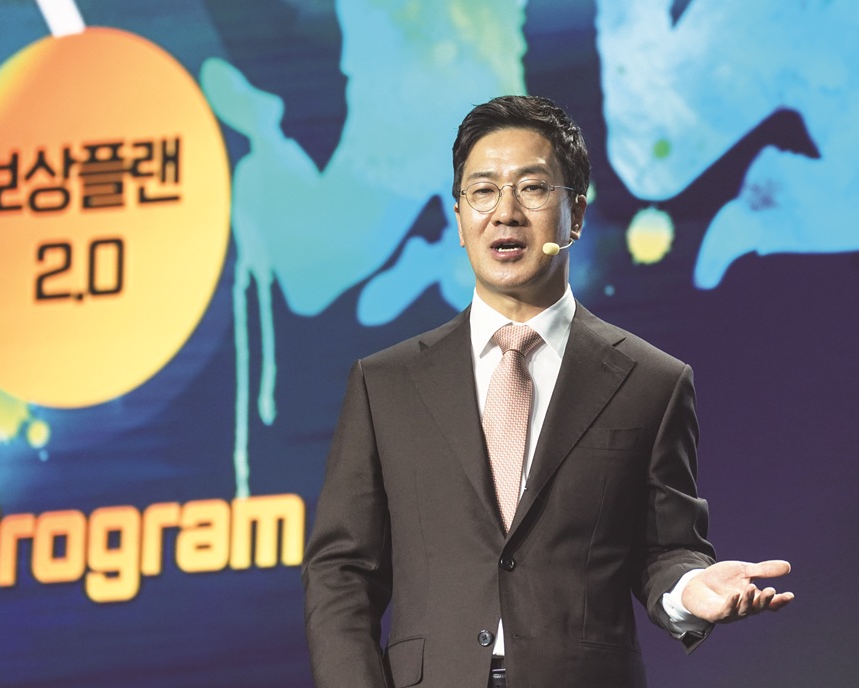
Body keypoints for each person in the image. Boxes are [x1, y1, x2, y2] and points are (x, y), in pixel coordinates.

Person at [303, 95, 793, 688]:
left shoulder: (651, 382)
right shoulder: (386, 384)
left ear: (575, 214)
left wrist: (690, 588)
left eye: (532, 188)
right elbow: (342, 571)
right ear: (458, 218)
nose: (505, 213)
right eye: (483, 191)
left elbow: (665, 549)